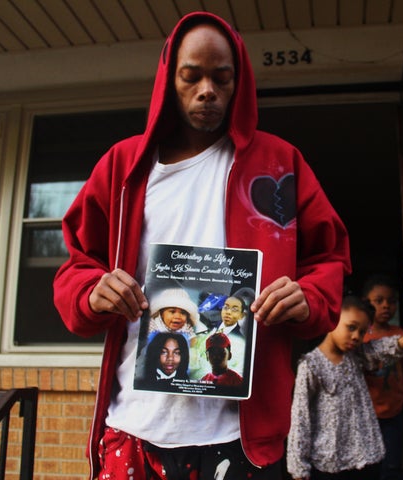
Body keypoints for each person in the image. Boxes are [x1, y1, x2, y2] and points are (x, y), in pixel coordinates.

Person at [52, 11, 351, 480]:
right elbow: (75, 266)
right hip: (133, 424)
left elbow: (328, 257)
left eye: (222, 78)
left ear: (240, 83)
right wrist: (92, 291)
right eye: (191, 77)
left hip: (240, 437)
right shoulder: (123, 168)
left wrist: (308, 296)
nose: (207, 90)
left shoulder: (279, 164)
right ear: (169, 80)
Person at [286, 296, 403, 480]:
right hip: (330, 466)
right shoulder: (311, 366)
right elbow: (300, 418)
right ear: (333, 321)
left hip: (368, 459)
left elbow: (385, 347)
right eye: (351, 327)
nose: (357, 336)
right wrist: (299, 468)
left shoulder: (356, 356)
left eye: (362, 331)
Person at [362, 274, 403, 480]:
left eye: (391, 301)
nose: (386, 306)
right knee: (369, 466)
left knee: (392, 466)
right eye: (379, 301)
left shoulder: (399, 333)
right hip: (367, 413)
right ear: (366, 304)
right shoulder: (361, 336)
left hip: (394, 411)